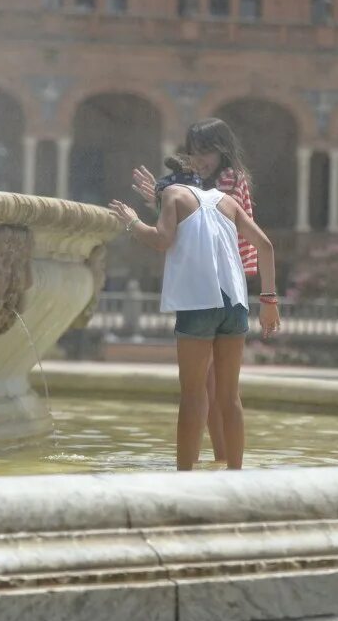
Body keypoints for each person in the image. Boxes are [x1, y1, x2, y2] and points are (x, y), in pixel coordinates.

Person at [108, 175, 279, 471]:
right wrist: (269, 302)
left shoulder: (173, 195)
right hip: (235, 305)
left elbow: (162, 240)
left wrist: (133, 222)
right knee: (229, 396)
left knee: (192, 394)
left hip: (198, 304)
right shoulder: (227, 201)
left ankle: (184, 477)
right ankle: (236, 475)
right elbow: (265, 246)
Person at [132, 118, 258, 463]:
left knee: (210, 388)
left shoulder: (227, 181)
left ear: (223, 150)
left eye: (206, 152)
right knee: (214, 387)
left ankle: (212, 460)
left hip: (217, 283)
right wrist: (159, 197)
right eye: (195, 153)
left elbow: (208, 225)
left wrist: (160, 198)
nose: (199, 160)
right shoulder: (215, 180)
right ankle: (222, 461)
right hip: (225, 284)